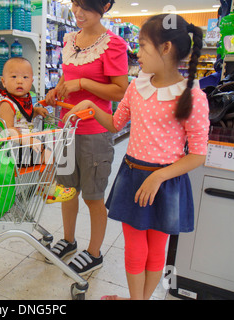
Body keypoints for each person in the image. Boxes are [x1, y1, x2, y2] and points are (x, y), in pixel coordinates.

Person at [63, 14, 210, 300]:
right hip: (133, 175)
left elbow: (198, 155)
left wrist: (159, 176)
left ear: (165, 48)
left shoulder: (191, 95)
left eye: (142, 46)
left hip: (165, 182)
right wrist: (89, 107)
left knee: (156, 248)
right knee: (134, 246)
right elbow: (117, 123)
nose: (137, 53)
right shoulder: (137, 86)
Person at [45, 0, 128, 275]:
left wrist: (83, 84)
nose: (78, 13)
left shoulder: (113, 44)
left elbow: (120, 92)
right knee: (67, 191)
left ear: (104, 6)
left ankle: (94, 252)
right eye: (74, 4)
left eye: (85, 7)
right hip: (66, 128)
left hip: (95, 132)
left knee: (93, 196)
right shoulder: (70, 39)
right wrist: (56, 91)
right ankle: (68, 240)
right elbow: (68, 77)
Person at [0, 57, 77, 204]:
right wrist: (29, 140)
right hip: (12, 150)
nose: (20, 81)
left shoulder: (23, 100)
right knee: (48, 155)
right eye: (14, 77)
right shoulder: (6, 104)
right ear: (3, 81)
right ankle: (48, 189)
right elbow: (10, 131)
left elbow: (22, 116)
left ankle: (45, 186)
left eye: (25, 77)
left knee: (48, 153)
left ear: (31, 81)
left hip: (23, 146)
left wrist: (36, 111)